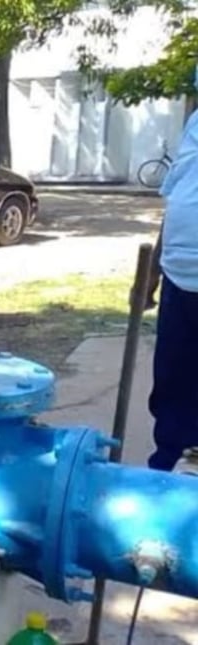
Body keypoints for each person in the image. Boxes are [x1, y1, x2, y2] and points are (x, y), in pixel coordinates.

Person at [144, 110, 198, 472]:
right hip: (177, 273)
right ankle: (164, 475)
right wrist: (152, 270)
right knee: (171, 384)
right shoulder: (195, 121)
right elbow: (177, 194)